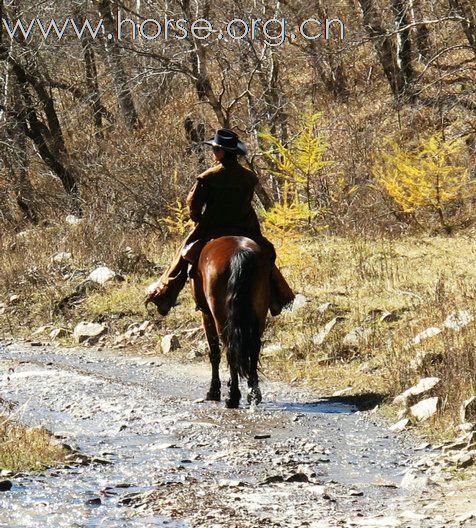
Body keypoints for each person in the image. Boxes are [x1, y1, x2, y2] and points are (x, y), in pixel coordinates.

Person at [146, 128, 295, 316]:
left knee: (183, 254)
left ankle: (165, 294)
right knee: (266, 256)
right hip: (246, 228)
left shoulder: (208, 177)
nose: (213, 153)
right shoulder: (249, 177)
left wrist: (199, 220)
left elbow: (193, 205)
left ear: (222, 152)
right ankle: (280, 295)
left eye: (215, 149)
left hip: (213, 227)